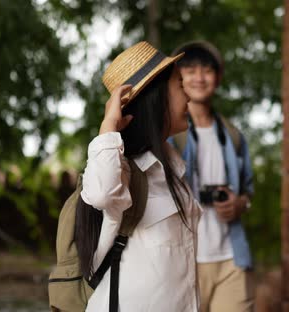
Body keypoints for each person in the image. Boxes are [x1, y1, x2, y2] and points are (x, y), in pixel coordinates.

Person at [78, 41, 202, 311]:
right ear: (157, 97)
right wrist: (108, 125)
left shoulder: (173, 169)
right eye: (180, 85)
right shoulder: (123, 172)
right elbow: (100, 194)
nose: (189, 96)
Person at [170, 41, 255, 312]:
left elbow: (248, 191)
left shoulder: (233, 136)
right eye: (190, 70)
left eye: (206, 70)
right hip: (183, 261)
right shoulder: (166, 136)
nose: (198, 77)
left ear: (217, 77)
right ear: (177, 77)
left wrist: (240, 203)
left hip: (231, 258)